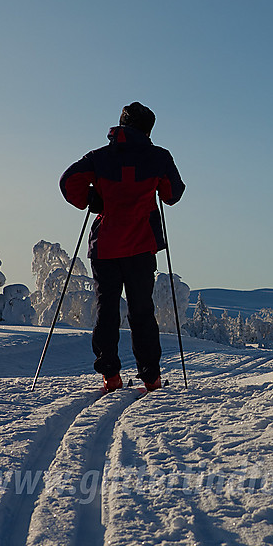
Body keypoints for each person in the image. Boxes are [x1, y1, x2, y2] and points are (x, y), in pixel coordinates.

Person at [60, 102, 185, 393]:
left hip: (105, 247)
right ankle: (151, 378)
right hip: (141, 247)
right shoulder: (159, 157)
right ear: (148, 129)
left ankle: (110, 377)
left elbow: (68, 182)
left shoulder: (99, 157)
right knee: (141, 312)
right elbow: (173, 194)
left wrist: (92, 200)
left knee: (107, 310)